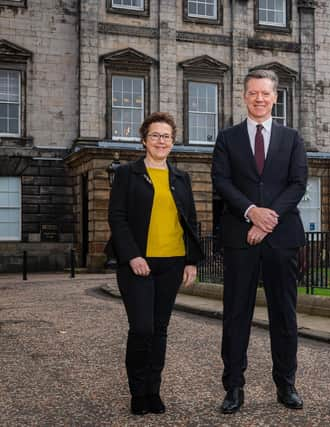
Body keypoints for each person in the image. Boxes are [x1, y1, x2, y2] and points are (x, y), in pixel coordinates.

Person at [211, 69, 308, 414]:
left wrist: (268, 219)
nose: (259, 98)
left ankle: (286, 385)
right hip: (241, 238)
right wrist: (251, 211)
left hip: (281, 238)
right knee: (236, 314)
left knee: (285, 314)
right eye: (253, 93)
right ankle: (234, 387)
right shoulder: (227, 138)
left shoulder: (292, 137)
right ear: (244, 96)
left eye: (265, 93)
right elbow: (221, 181)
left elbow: (297, 184)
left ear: (275, 97)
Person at [108, 112, 204, 416]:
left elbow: (191, 220)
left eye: (166, 136)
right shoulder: (126, 174)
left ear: (172, 143)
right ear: (144, 140)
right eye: (155, 135)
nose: (160, 141)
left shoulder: (181, 177)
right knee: (142, 328)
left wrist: (191, 260)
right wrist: (132, 255)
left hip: (172, 262)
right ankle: (138, 391)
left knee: (160, 328)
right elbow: (117, 217)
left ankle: (153, 390)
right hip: (138, 264)